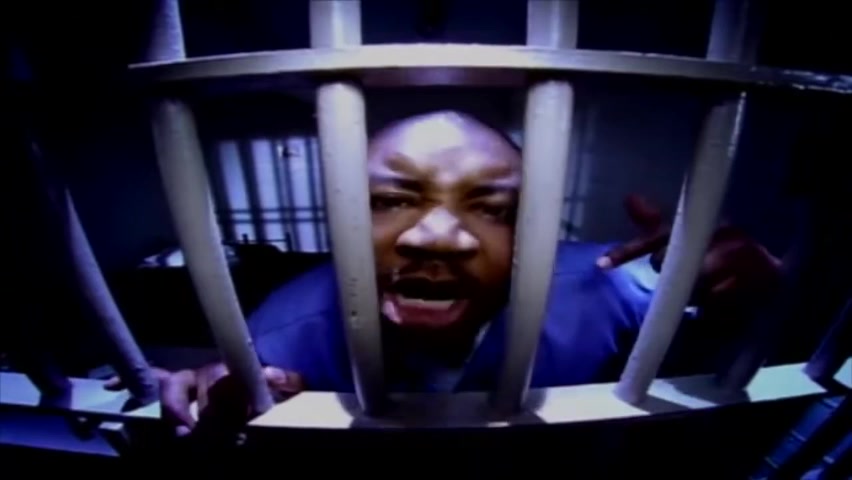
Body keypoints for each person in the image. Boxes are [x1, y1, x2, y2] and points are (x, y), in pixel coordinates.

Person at [111, 110, 781, 436]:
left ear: (534, 228)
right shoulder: (284, 332)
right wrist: (211, 400)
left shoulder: (606, 282)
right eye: (391, 199)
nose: (438, 236)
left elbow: (712, 335)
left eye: (492, 208)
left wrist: (740, 293)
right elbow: (234, 400)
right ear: (340, 213)